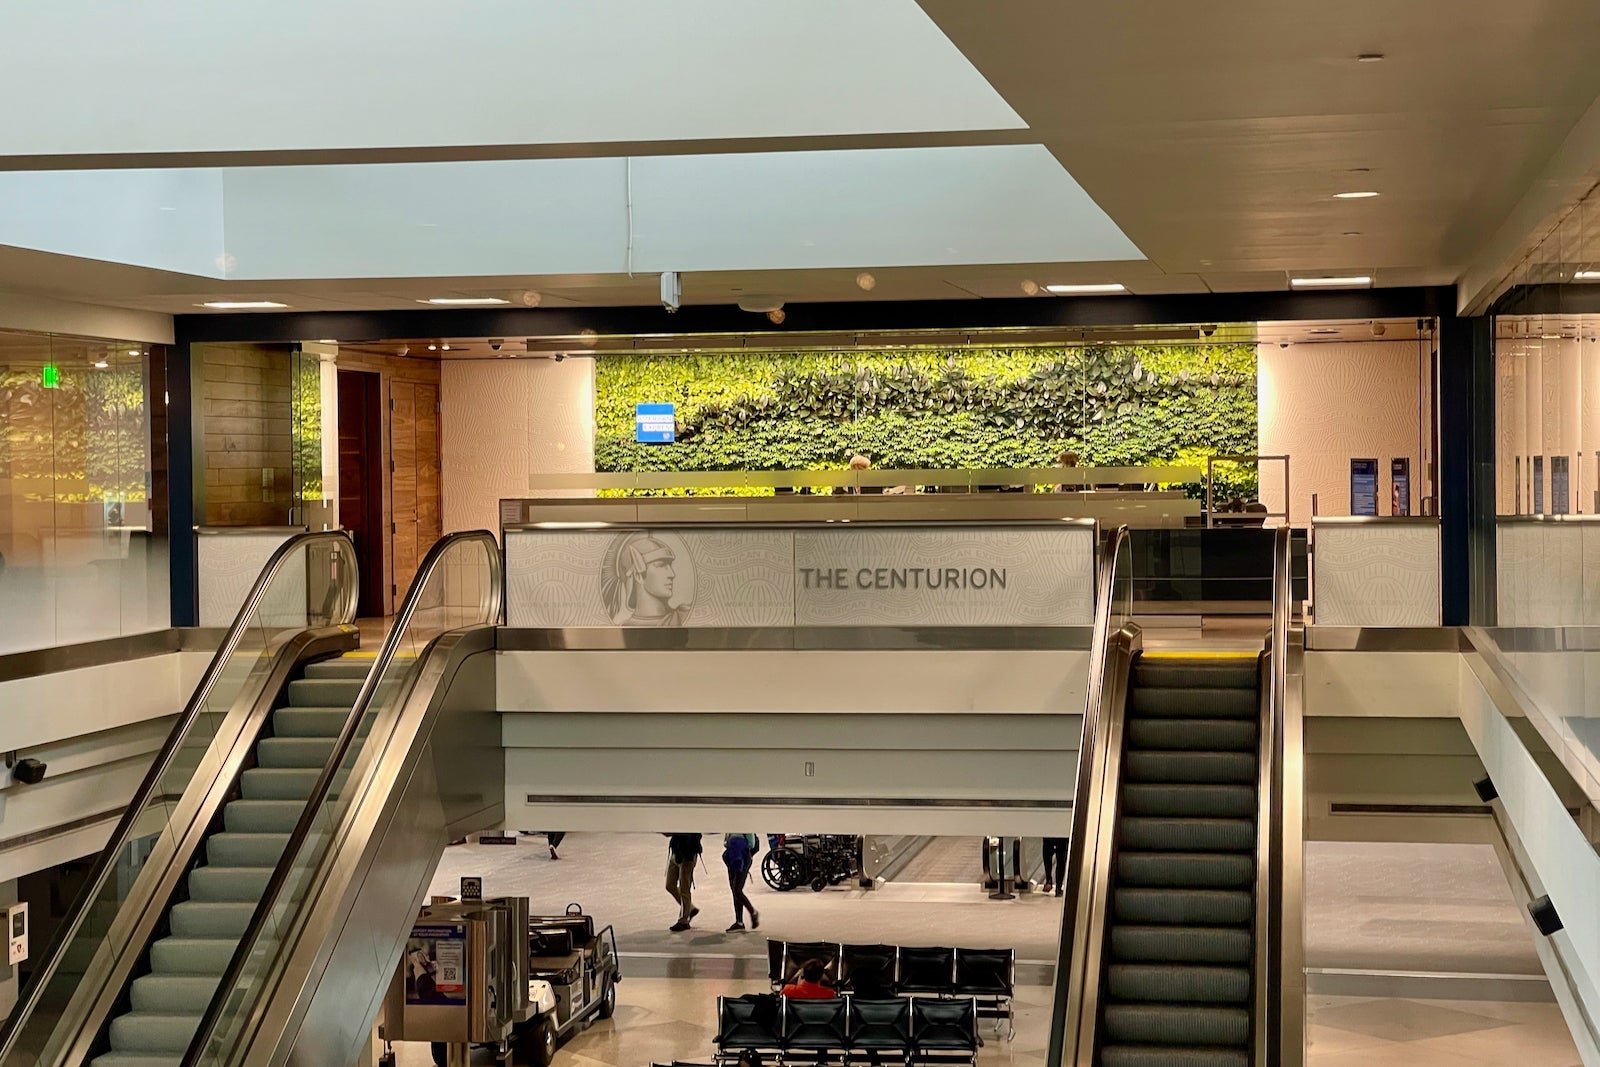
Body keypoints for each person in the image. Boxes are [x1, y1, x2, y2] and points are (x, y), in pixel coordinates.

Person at [604, 534, 689, 626]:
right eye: (661, 565)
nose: (672, 574)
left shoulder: (683, 616)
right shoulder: (621, 627)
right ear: (638, 576)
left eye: (669, 565)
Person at [663, 832, 703, 931]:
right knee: (670, 885)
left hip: (688, 855)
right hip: (676, 852)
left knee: (684, 889)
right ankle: (690, 909)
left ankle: (684, 920)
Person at [722, 832, 761, 932]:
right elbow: (725, 842)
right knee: (734, 890)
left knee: (737, 890)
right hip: (732, 856)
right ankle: (739, 922)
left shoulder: (745, 827)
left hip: (743, 858)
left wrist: (735, 842)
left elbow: (751, 844)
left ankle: (753, 912)